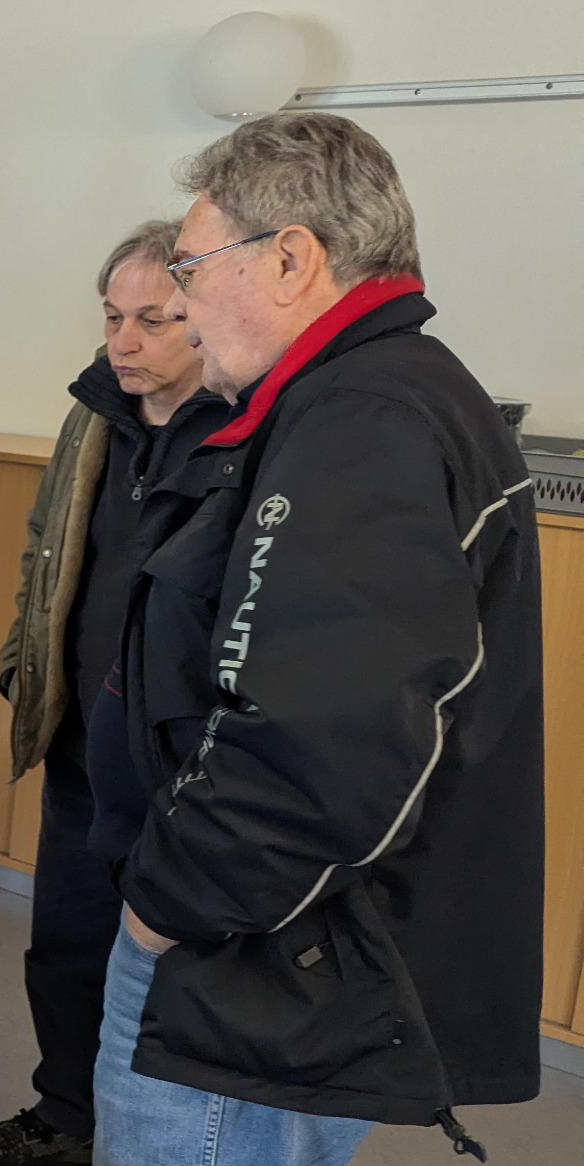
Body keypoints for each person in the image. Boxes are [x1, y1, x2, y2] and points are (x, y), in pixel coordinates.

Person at [91, 111, 543, 1165]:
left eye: (191, 271)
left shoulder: (365, 421)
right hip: (277, 939)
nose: (183, 306)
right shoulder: (353, 399)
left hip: (252, 960)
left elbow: (318, 742)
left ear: (290, 258)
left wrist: (165, 904)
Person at [0, 223, 229, 1166]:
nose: (124, 341)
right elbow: (45, 548)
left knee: (171, 970)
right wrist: (24, 665)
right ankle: (67, 1117)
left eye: (152, 320)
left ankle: (149, 1141)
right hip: (82, 746)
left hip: (179, 768)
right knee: (66, 948)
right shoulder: (94, 415)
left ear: (204, 316)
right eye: (113, 317)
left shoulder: (248, 430)